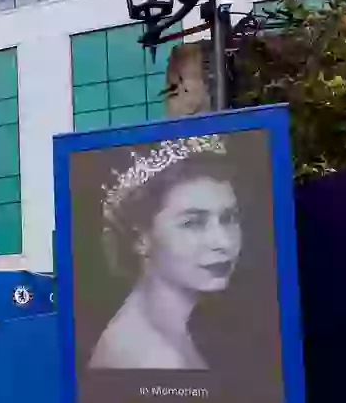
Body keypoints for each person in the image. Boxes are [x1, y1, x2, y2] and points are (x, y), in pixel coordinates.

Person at [89, 134, 241, 371]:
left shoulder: (167, 327)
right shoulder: (156, 358)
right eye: (193, 223)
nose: (223, 241)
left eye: (228, 218)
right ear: (141, 238)